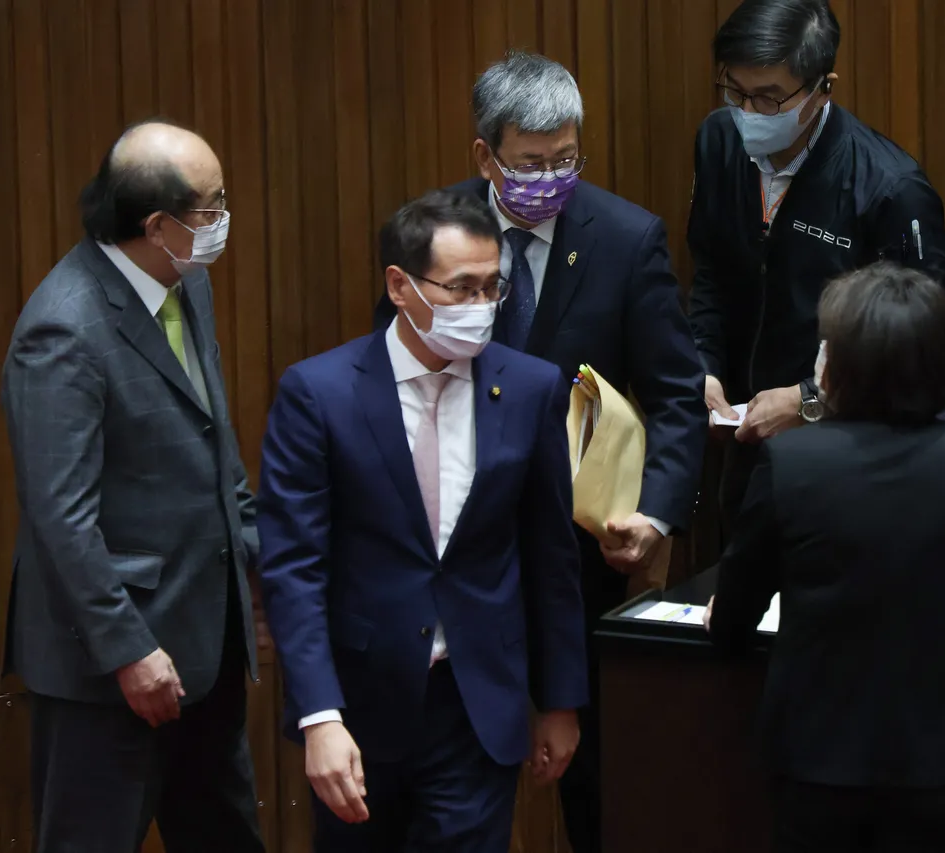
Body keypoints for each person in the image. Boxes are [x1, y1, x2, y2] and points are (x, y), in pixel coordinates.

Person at [372, 51, 706, 853]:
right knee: (448, 787)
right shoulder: (430, 236)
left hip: (578, 555)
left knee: (595, 785)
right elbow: (389, 382)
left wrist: (656, 513)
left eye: (566, 159)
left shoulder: (626, 238)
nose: (550, 179)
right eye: (530, 162)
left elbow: (676, 393)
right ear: (485, 155)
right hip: (455, 561)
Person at [705, 262, 945, 852]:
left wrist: (726, 619)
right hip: (937, 760)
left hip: (815, 753)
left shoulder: (791, 462)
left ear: (837, 367)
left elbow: (734, 615)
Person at [259, 190, 589, 852]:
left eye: (492, 287)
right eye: (461, 288)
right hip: (360, 704)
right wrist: (318, 714)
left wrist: (560, 701)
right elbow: (294, 568)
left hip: (477, 702)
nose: (481, 306)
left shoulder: (531, 388)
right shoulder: (319, 393)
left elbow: (550, 553)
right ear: (400, 286)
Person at [1, 120, 265, 852]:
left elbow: (213, 443)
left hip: (202, 647)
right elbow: (61, 516)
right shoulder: (63, 328)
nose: (224, 218)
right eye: (213, 206)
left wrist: (256, 560)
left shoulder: (187, 281)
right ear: (157, 225)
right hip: (109, 668)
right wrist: (127, 650)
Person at [688, 0, 945, 531]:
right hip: (744, 443)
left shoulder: (891, 188)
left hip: (855, 459)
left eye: (770, 98)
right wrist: (703, 366)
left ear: (823, 88)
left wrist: (812, 401)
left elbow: (921, 346)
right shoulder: (718, 140)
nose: (748, 112)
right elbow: (711, 274)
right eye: (735, 91)